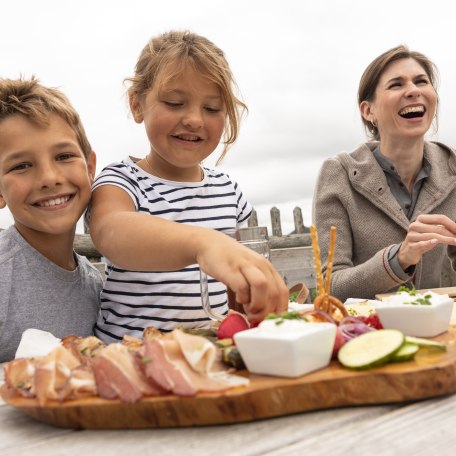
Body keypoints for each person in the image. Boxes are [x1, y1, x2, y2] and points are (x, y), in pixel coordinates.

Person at [88, 30, 288, 343]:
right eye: (175, 102)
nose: (195, 119)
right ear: (137, 104)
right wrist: (204, 243)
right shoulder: (121, 181)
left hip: (208, 357)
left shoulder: (228, 190)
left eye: (212, 108)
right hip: (127, 360)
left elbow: (235, 296)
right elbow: (110, 232)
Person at [313, 45, 456, 301]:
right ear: (369, 111)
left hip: (437, 331)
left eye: (421, 81)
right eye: (396, 85)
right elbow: (330, 287)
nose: (413, 90)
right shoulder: (338, 174)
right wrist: (399, 258)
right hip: (367, 334)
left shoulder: (453, 168)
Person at [0, 77, 103, 362]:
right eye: (21, 165)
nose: (48, 178)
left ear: (90, 168)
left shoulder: (96, 285)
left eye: (64, 156)